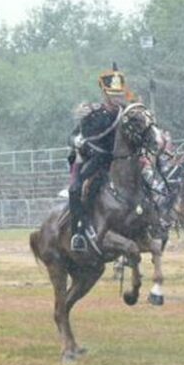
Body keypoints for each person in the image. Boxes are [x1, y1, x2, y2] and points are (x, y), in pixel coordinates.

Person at [67, 62, 135, 252]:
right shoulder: (93, 114)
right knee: (75, 190)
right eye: (113, 95)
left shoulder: (129, 115)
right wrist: (79, 142)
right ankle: (78, 233)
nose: (117, 98)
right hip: (97, 162)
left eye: (120, 94)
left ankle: (155, 222)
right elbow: (72, 137)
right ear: (105, 94)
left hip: (123, 164)